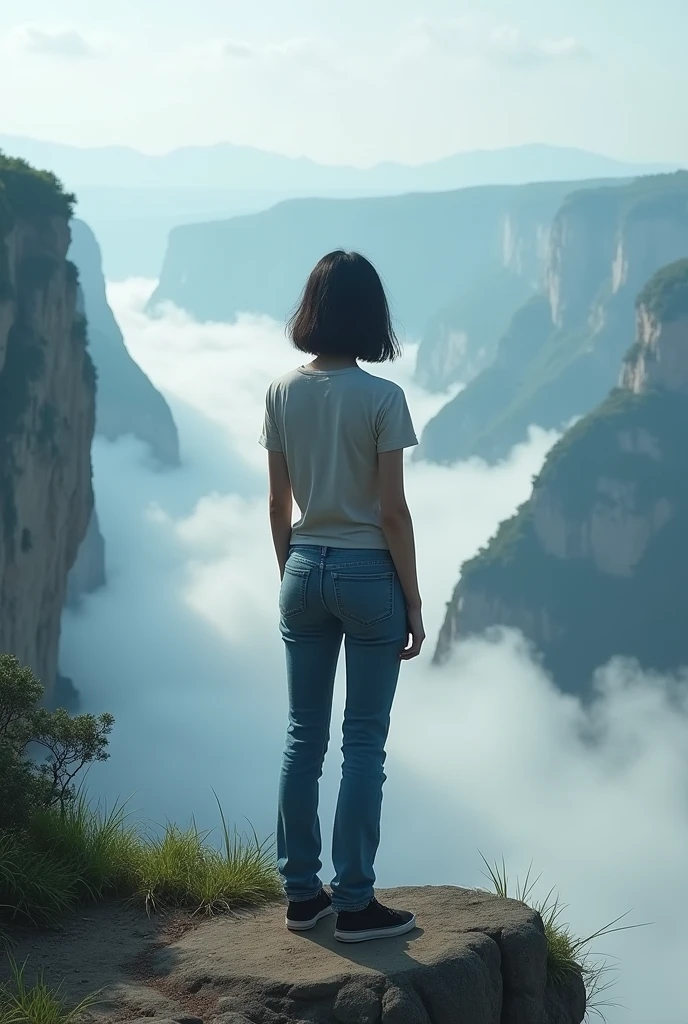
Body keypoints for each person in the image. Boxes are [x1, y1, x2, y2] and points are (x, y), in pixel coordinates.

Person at [259, 250, 425, 944]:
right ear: (370, 317)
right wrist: (413, 602)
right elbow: (393, 512)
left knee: (303, 738)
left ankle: (302, 895)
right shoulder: (383, 398)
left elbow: (277, 504)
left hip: (302, 567)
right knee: (364, 743)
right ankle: (355, 902)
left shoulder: (280, 393)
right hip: (368, 577)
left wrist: (291, 573)